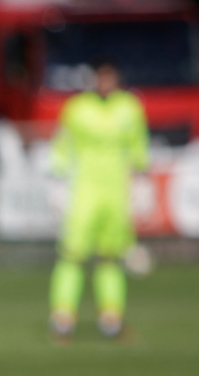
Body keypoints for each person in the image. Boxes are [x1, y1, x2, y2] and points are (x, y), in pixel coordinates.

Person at [49, 62, 149, 340]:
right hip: (85, 191)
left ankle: (111, 319)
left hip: (116, 192)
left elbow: (139, 145)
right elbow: (63, 143)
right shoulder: (77, 108)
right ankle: (62, 319)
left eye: (109, 77)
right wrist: (56, 180)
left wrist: (142, 178)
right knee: (72, 255)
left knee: (111, 257)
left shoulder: (129, 107)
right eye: (100, 77)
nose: (105, 83)